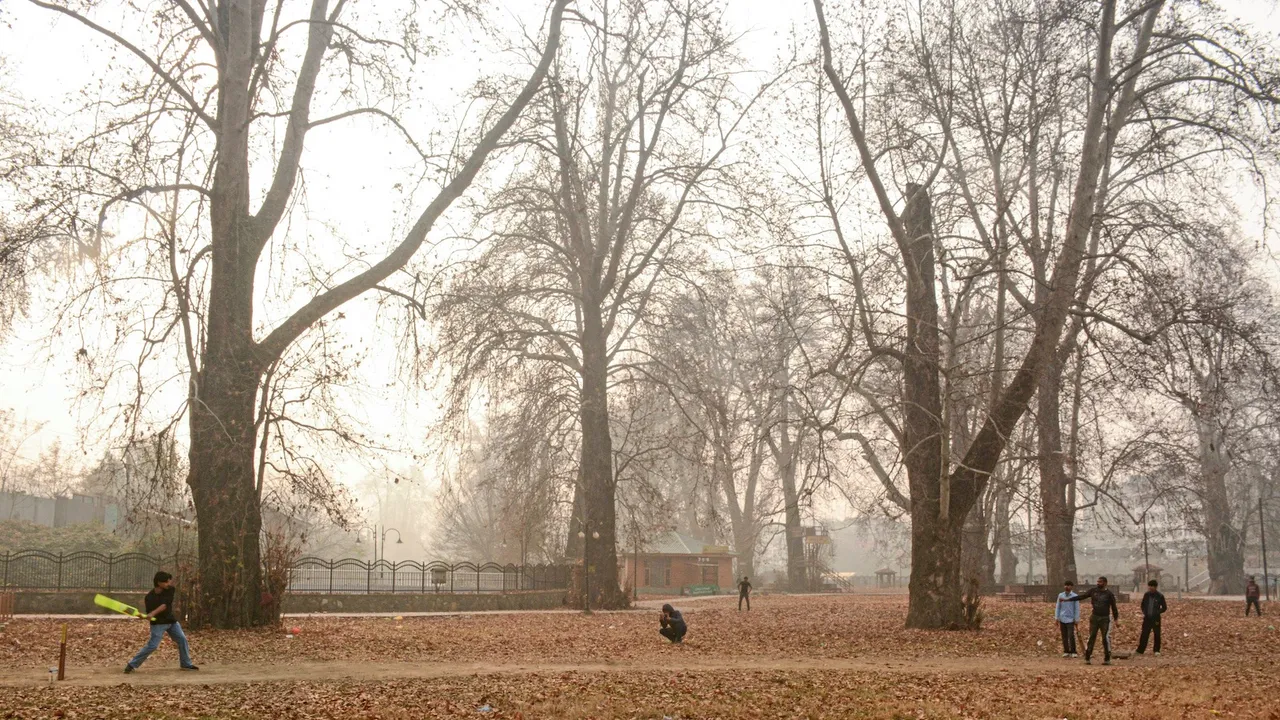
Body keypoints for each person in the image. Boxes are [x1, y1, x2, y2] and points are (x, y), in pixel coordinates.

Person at [124, 571, 198, 673]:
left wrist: (152, 613)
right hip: (158, 624)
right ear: (159, 583)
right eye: (166, 582)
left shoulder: (170, 590)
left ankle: (186, 664)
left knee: (182, 639)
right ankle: (132, 664)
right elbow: (149, 613)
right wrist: (149, 616)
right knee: (153, 645)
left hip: (171, 621)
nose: (169, 584)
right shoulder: (149, 597)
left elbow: (165, 605)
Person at [1063, 576, 1119, 665]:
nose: (1098, 583)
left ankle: (1107, 658)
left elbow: (1114, 607)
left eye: (1100, 582)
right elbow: (1082, 596)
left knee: (1105, 638)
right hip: (1094, 617)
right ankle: (1087, 657)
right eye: (1097, 581)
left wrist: (1116, 619)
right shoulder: (1093, 591)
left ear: (1105, 583)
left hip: (1105, 618)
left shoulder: (1109, 594)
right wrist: (1069, 599)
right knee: (1092, 636)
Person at [1136, 579, 1167, 656]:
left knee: (1157, 634)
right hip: (1147, 618)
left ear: (1155, 587)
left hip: (1156, 619)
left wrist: (1157, 612)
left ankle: (1156, 650)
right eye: (1149, 586)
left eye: (1152, 586)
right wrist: (1144, 611)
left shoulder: (1160, 596)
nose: (1150, 588)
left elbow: (1164, 607)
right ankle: (1140, 650)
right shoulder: (1146, 595)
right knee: (1144, 634)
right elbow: (1143, 604)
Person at [1055, 580, 1080, 658]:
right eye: (1065, 585)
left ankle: (1073, 651)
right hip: (1062, 618)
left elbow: (1077, 608)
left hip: (1071, 619)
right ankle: (1066, 651)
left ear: (1071, 587)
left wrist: (1076, 619)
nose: (1067, 587)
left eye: (1068, 585)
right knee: (1064, 635)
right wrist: (1057, 617)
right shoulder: (1061, 595)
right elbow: (1058, 607)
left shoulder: (1075, 596)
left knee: (1071, 635)